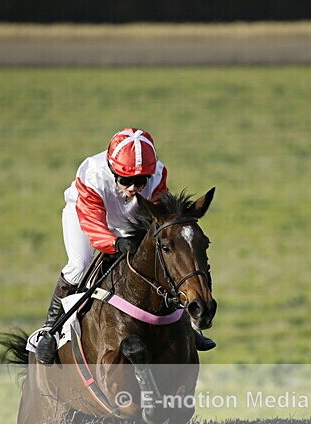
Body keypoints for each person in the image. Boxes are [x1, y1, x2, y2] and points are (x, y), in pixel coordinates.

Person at [35, 127, 215, 364]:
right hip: (87, 217)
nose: (132, 187)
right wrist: (116, 243)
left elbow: (159, 208)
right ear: (112, 170)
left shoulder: (157, 173)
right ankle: (51, 330)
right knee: (79, 265)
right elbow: (93, 224)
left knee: (161, 262)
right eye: (125, 180)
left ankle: (185, 324)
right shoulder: (93, 175)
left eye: (140, 181)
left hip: (131, 218)